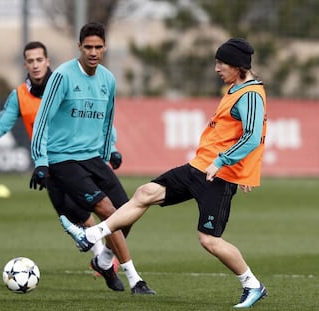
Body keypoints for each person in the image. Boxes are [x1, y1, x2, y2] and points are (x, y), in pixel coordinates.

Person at [62, 38, 268, 308]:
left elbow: (253, 137)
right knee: (145, 193)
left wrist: (226, 163)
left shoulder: (250, 94)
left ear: (239, 66)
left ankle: (252, 285)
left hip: (217, 176)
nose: (217, 68)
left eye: (222, 63)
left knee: (209, 240)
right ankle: (90, 236)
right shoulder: (235, 88)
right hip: (199, 167)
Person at [29, 22, 155, 295]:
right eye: (88, 47)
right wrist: (40, 161)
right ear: (79, 47)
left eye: (99, 47)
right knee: (109, 211)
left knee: (128, 212)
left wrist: (111, 149)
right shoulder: (62, 76)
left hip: (93, 158)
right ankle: (136, 280)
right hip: (62, 160)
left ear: (105, 47)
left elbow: (107, 121)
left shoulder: (108, 80)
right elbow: (42, 120)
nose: (94, 52)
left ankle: (103, 260)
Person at [0, 41, 122, 264]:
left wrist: (111, 148)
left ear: (47, 61)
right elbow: (3, 122)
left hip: (75, 161)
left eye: (39, 60)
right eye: (30, 61)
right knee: (74, 217)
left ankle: (105, 265)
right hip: (49, 169)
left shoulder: (67, 82)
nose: (35, 65)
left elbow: (98, 119)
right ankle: (101, 261)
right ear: (25, 65)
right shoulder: (20, 96)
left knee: (93, 213)